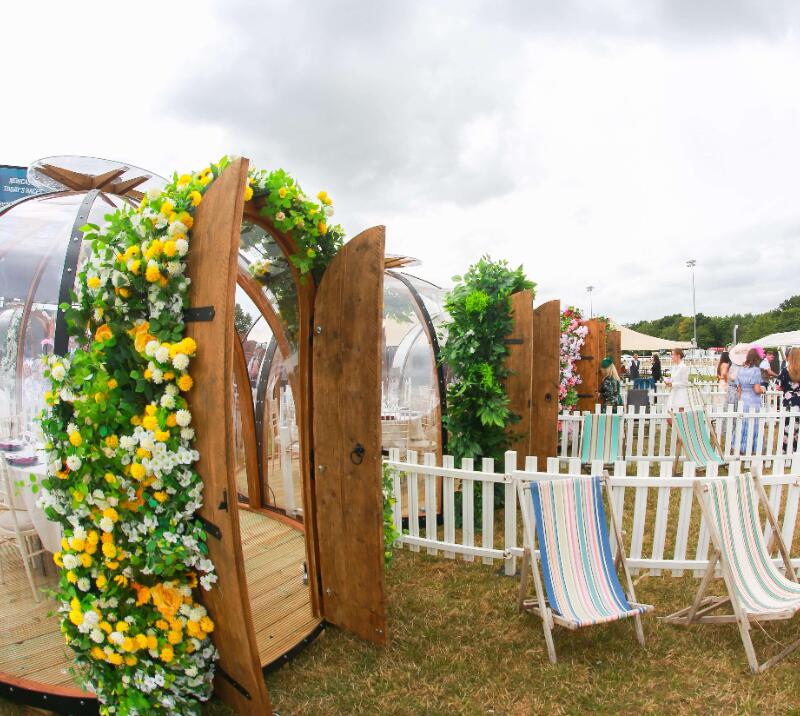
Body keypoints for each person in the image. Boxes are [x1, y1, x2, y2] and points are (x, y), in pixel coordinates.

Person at [734, 348, 765, 454]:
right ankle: (752, 448)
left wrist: (740, 399)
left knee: (742, 425)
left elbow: (739, 389)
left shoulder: (741, 369)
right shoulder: (756, 370)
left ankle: (739, 447)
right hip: (753, 401)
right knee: (753, 425)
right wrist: (763, 390)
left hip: (743, 399)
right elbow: (756, 390)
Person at [779, 347, 800, 453]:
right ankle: (796, 450)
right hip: (799, 401)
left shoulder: (785, 370)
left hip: (789, 401)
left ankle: (786, 450)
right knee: (797, 429)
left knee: (787, 428)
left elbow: (780, 386)